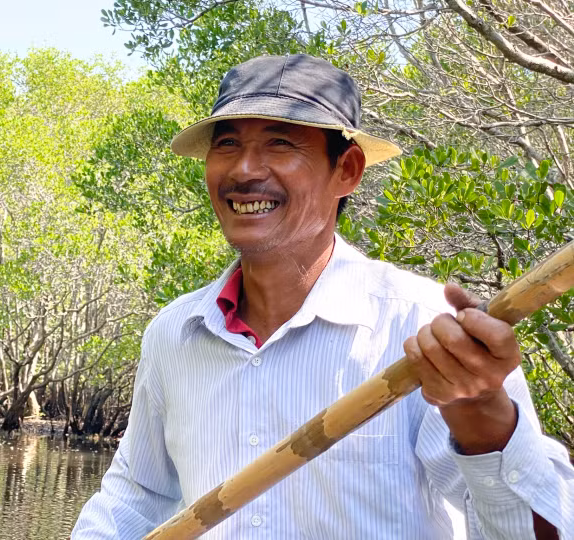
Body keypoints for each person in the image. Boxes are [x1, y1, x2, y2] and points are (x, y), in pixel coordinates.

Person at [71, 54, 573, 539]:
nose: (245, 169)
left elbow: (536, 532)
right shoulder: (174, 334)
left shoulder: (426, 329)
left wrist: (483, 417)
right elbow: (137, 494)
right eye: (226, 144)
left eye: (281, 143)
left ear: (348, 170)